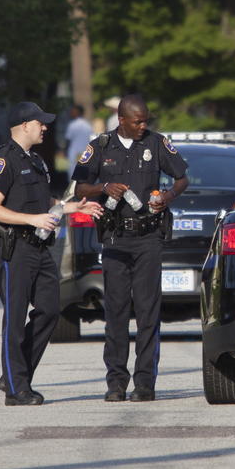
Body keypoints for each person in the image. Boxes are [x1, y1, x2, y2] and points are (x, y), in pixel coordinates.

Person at [72, 94, 189, 402]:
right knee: (116, 311)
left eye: (146, 121)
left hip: (148, 237)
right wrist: (103, 187)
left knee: (148, 311)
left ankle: (145, 383)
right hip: (115, 238)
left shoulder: (156, 143)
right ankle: (116, 382)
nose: (143, 126)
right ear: (121, 120)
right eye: (138, 122)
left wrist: (167, 197)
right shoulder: (100, 146)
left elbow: (182, 178)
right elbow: (80, 187)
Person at [0, 102, 103, 406]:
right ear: (25, 125)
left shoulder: (36, 160)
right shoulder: (4, 160)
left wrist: (71, 207)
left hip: (38, 247)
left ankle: (14, 374)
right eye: (41, 123)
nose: (45, 127)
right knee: (14, 319)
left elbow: (43, 202)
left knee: (50, 310)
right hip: (13, 248)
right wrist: (32, 220)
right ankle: (16, 390)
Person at [63, 104, 94, 171]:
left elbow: (68, 140)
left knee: (73, 171)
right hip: (86, 152)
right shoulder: (88, 125)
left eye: (73, 112)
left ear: (78, 113)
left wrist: (65, 151)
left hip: (74, 152)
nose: (71, 113)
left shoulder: (72, 125)